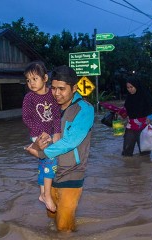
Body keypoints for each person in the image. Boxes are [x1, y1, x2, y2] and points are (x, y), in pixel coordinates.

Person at [25, 65, 94, 232]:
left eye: (62, 89)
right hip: (49, 174)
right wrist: (35, 145)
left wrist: (41, 152)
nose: (56, 93)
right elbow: (36, 133)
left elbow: (71, 141)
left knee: (63, 228)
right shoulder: (50, 105)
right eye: (54, 88)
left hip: (71, 174)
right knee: (52, 220)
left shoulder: (84, 109)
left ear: (74, 88)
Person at [22, 61, 61, 212]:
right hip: (37, 136)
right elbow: (26, 118)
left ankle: (41, 194)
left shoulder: (52, 94)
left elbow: (57, 115)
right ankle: (47, 196)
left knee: (43, 164)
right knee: (51, 160)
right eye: (28, 80)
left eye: (34, 79)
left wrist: (57, 131)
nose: (31, 83)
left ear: (45, 78)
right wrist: (40, 132)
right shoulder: (29, 98)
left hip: (52, 134)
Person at [122, 75, 152, 157]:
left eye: (131, 87)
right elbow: (126, 110)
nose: (130, 89)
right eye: (128, 88)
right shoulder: (129, 97)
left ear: (136, 86)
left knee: (145, 153)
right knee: (126, 152)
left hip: (143, 126)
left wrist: (149, 118)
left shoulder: (145, 95)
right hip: (131, 126)